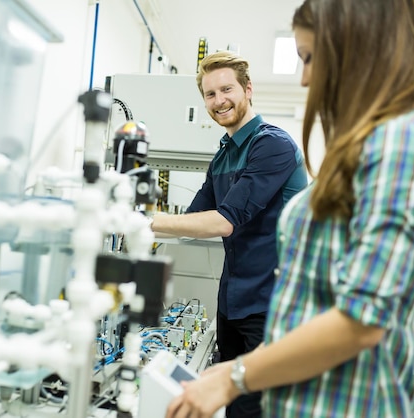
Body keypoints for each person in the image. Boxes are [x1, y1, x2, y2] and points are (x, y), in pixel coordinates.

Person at [165, 0, 414, 417]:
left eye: (309, 58)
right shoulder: (358, 149)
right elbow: (316, 300)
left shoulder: (396, 145)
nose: (303, 79)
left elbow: (363, 318)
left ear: (358, 50)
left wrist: (236, 377)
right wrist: (236, 368)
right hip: (295, 378)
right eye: (209, 93)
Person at [150, 50, 308, 417]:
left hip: (270, 303)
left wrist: (145, 222)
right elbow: (193, 219)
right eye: (210, 94)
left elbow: (224, 221)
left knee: (260, 406)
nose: (219, 101)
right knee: (233, 406)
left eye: (227, 89)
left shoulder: (273, 145)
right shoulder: (223, 153)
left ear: (248, 89)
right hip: (232, 302)